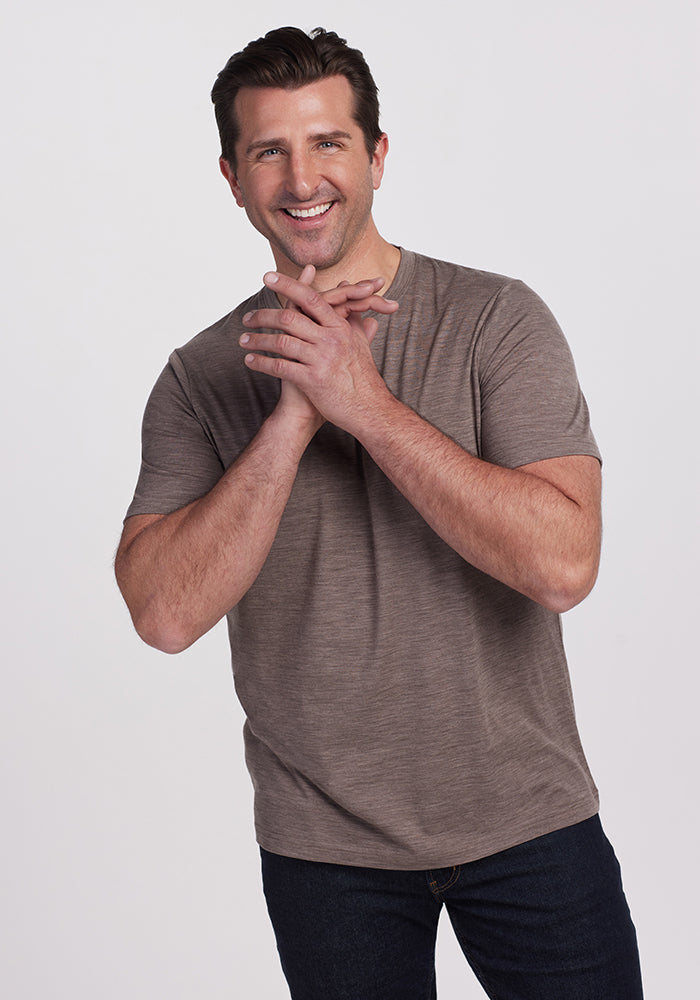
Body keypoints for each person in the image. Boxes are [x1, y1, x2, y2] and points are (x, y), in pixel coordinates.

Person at [115, 26, 643, 1000]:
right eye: (268, 149)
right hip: (326, 847)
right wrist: (294, 417)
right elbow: (163, 613)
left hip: (526, 817)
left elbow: (564, 563)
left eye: (327, 142)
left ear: (377, 157)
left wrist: (366, 404)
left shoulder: (495, 320)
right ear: (232, 177)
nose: (300, 175)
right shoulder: (197, 379)